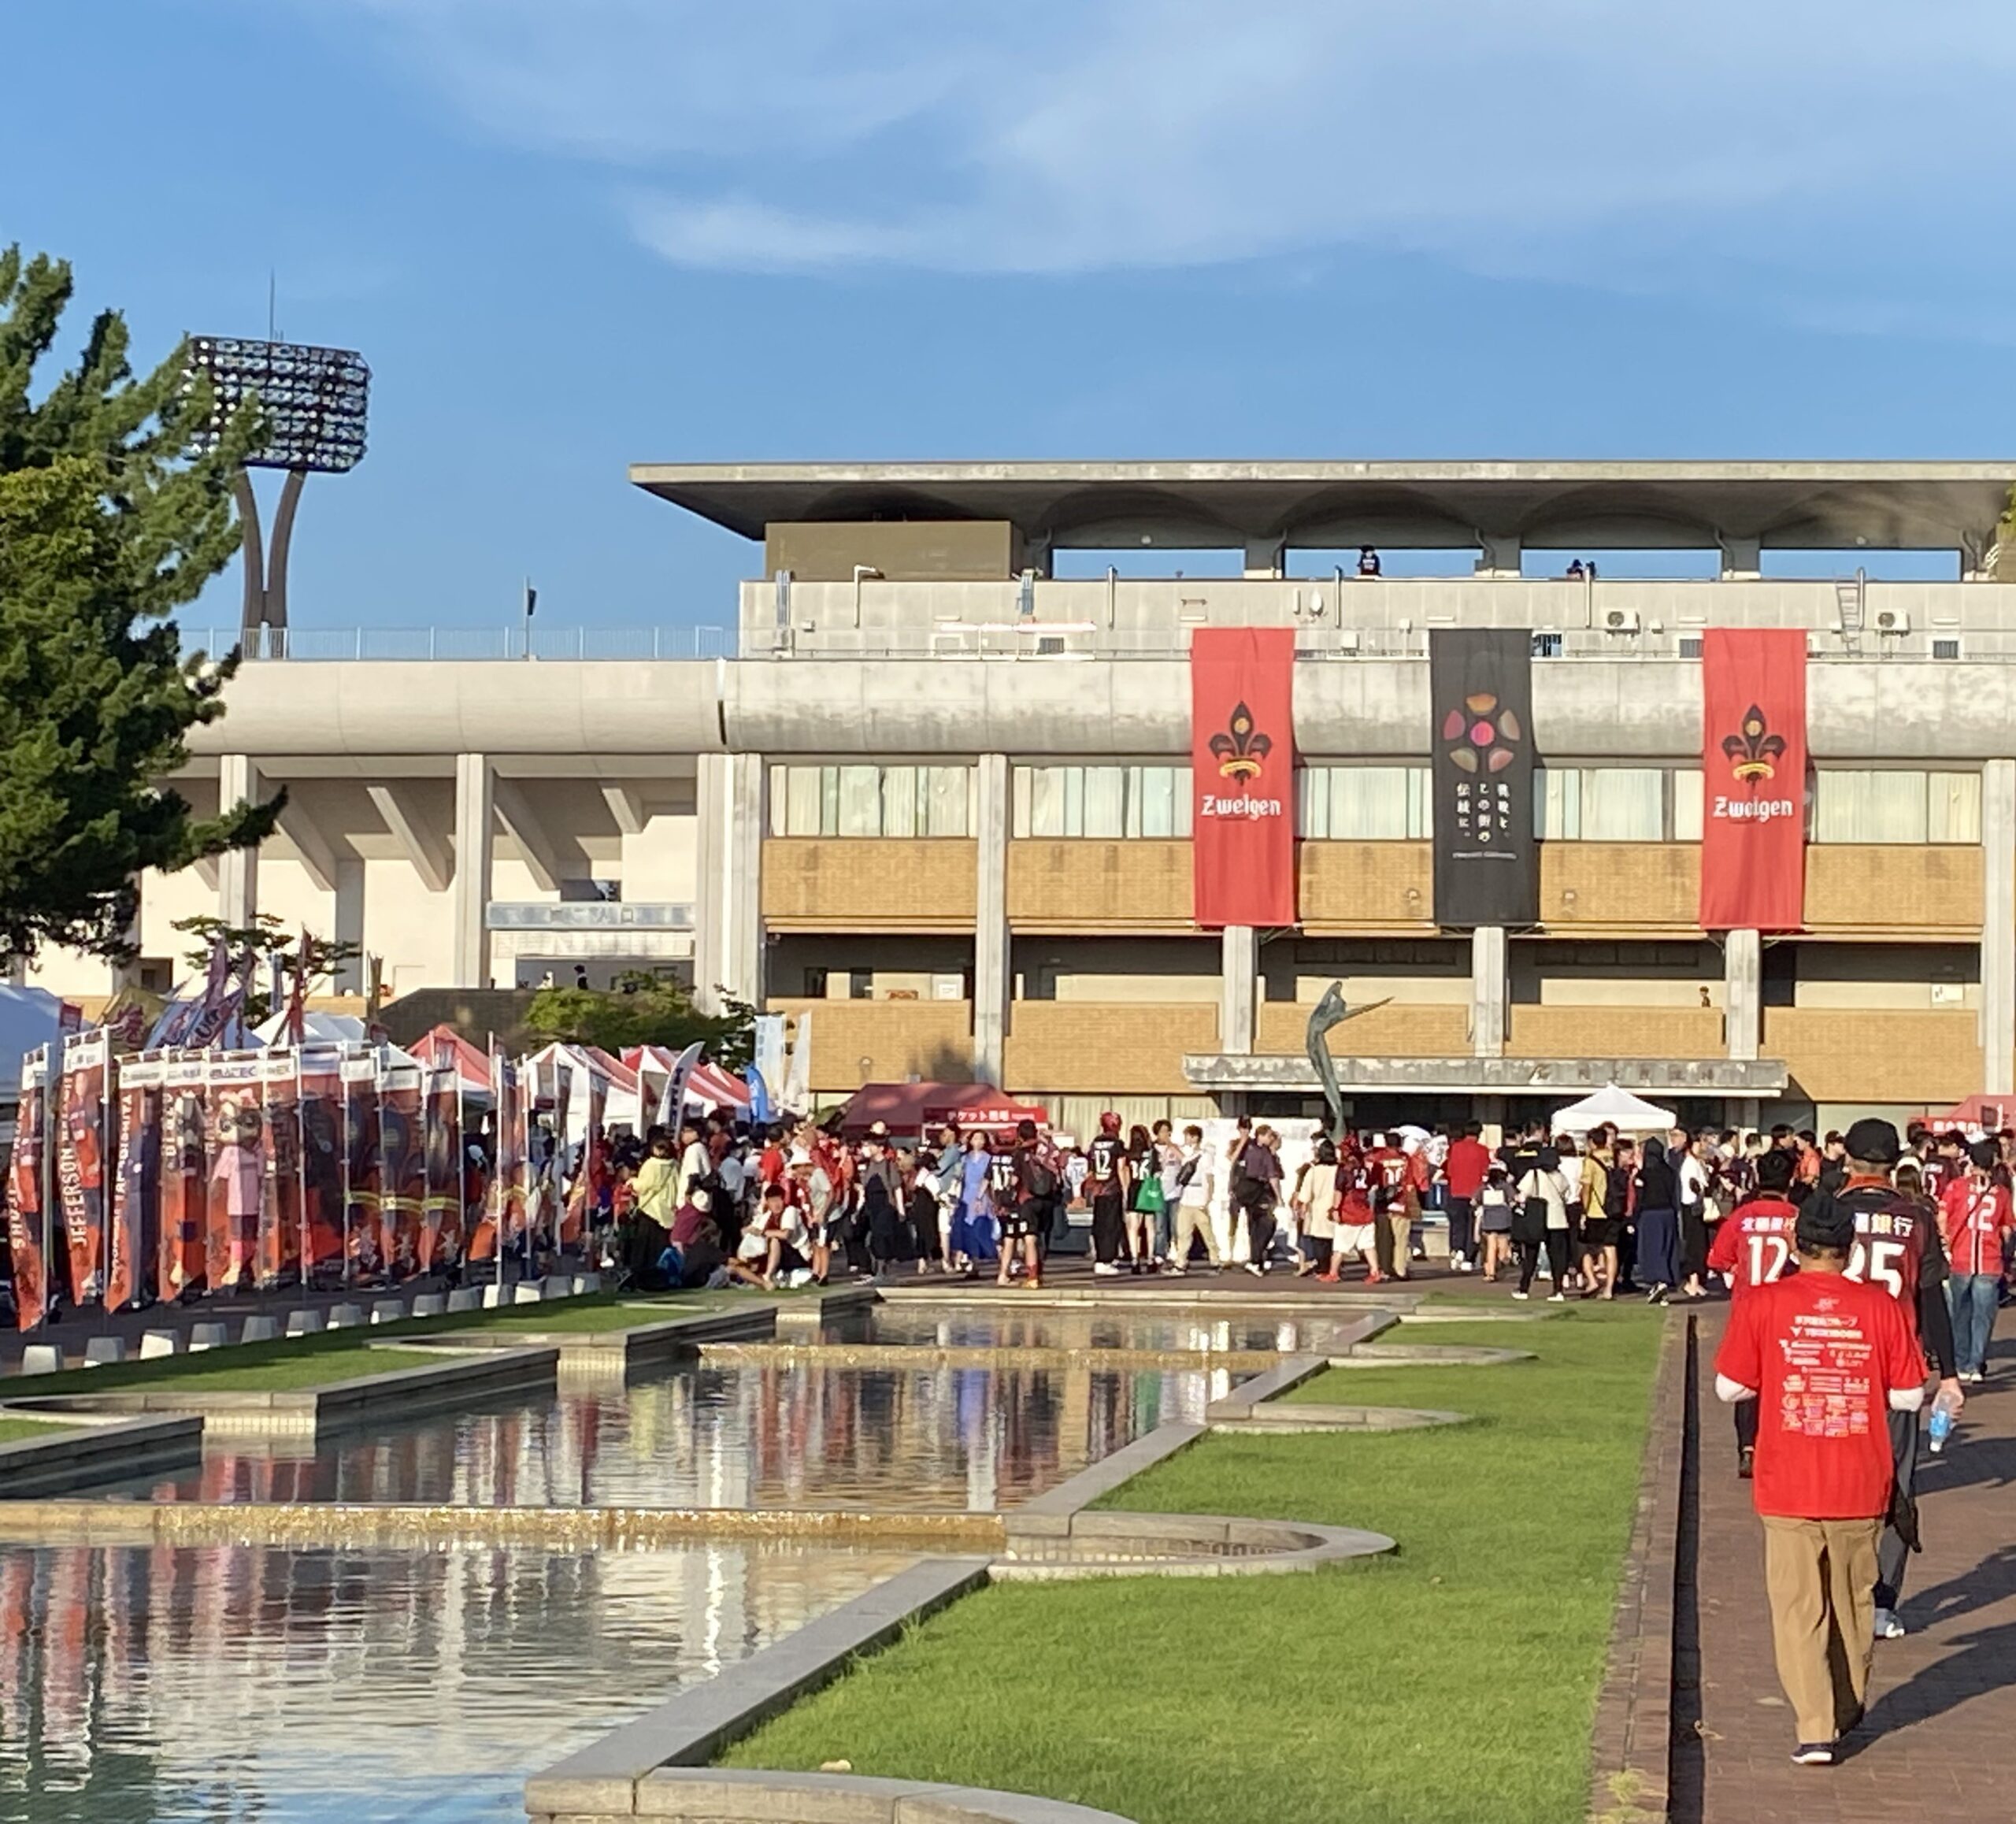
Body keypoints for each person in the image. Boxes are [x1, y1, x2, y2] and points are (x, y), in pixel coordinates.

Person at [1713, 1196, 1927, 1767]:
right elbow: (1908, 1394)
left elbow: (1729, 1387)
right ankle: (1845, 1703)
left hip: (1786, 1481)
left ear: (1793, 1243)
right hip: (1861, 1478)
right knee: (1855, 1604)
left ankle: (1814, 1725)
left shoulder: (1765, 1302)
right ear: (1851, 1247)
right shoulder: (1880, 1306)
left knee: (1797, 1607)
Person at [1809, 1118, 1962, 1642]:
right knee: (1895, 1479)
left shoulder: (1825, 1213)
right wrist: (1952, 1372)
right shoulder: (1915, 1217)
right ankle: (1880, 1599)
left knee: (1827, 1476)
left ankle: (1831, 1587)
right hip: (1897, 1367)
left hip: (1832, 1361)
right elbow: (1931, 1299)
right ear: (1894, 1161)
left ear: (1846, 1159)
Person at [1708, 1146, 1802, 1477]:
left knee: (1745, 1380)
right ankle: (1777, 1446)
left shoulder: (1741, 1217)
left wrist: (1738, 1270)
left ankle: (1747, 1446)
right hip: (1786, 1311)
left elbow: (1717, 1259)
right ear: (1791, 1179)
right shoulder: (1795, 1217)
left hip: (1748, 1308)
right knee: (1783, 1379)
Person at [1938, 1137, 2013, 1383]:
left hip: (1960, 1257)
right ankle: (1976, 1362)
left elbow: (1942, 1216)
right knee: (1983, 1316)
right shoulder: (2000, 1193)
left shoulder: (1956, 1187)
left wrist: (1946, 1242)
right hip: (1989, 1260)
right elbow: (2008, 1226)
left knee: (1959, 1313)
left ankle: (1960, 1361)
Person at [995, 1118, 1051, 1290]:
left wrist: (1006, 1195)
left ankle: (1033, 1276)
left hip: (1027, 1200)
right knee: (1040, 1238)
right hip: (1047, 1200)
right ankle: (1039, 1274)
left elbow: (1014, 1179)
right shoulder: (1046, 1149)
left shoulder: (1020, 1154)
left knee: (1029, 1239)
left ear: (1019, 1134)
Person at [1169, 1124, 1222, 1273]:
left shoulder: (1205, 1156)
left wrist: (1208, 1198)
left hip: (1199, 1198)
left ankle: (1215, 1260)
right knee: (1183, 1233)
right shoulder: (1190, 1155)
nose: (1186, 1139)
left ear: (1195, 1137)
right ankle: (1180, 1262)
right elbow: (1183, 1160)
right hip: (1186, 1197)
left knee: (1206, 1231)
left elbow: (1209, 1177)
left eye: (1188, 1136)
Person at [1635, 1134, 1681, 1303]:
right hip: (1668, 1213)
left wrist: (1634, 1218)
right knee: (1667, 1249)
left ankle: (1659, 1280)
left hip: (1650, 1214)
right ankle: (1664, 1287)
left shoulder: (1644, 1174)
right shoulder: (1670, 1172)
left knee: (1652, 1249)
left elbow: (1640, 1198)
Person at [1083, 1114, 1130, 1277]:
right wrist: (1126, 1190)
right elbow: (1121, 1167)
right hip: (1112, 1188)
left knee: (1099, 1225)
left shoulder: (1095, 1142)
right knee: (1112, 1226)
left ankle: (1101, 1257)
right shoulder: (1117, 1144)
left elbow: (1090, 1168)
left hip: (1098, 1189)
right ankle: (1106, 1259)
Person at [1578, 1127, 1618, 1299]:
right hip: (1614, 1210)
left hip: (1596, 1210)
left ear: (1592, 1142)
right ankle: (1609, 1289)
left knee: (1586, 1249)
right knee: (1611, 1250)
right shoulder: (1613, 1157)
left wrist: (1584, 1210)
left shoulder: (1591, 1160)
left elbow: (1587, 1187)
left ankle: (1592, 1281)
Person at [1443, 1121, 1489, 1273]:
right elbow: (1485, 1173)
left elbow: (1449, 1171)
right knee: (1473, 1227)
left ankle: (1457, 1250)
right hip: (1474, 1194)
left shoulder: (1455, 1148)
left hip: (1456, 1191)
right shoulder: (1482, 1150)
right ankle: (1469, 1258)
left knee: (1457, 1225)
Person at [1238, 1125, 1284, 1273]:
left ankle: (1256, 1260)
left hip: (1248, 1191)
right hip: (1261, 1191)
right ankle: (1255, 1259)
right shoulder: (1265, 1154)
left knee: (1255, 1226)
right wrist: (1279, 1197)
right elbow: (1273, 1177)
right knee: (1267, 1224)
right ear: (1261, 1136)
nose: (1271, 1139)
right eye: (1269, 1136)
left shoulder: (1248, 1148)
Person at [1293, 1140, 1340, 1277]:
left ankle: (1322, 1270)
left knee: (1320, 1242)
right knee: (1335, 1242)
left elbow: (1305, 1195)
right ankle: (1334, 1269)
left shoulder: (1314, 1171)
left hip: (1319, 1211)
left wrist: (1301, 1206)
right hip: (1336, 1208)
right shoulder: (1339, 1170)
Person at [1125, 1122, 1162, 1274]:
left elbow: (1126, 1171)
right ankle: (1150, 1258)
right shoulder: (1152, 1152)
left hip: (1134, 1187)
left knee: (1133, 1227)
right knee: (1150, 1225)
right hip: (1148, 1187)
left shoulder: (1130, 1153)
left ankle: (1135, 1260)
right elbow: (1157, 1172)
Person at [1476, 1163, 1514, 1281]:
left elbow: (1474, 1200)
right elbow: (1513, 1199)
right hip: (1504, 1220)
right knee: (1502, 1245)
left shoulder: (1483, 1187)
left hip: (1489, 1220)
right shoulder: (1506, 1186)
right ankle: (1504, 1259)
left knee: (1491, 1247)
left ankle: (1490, 1272)